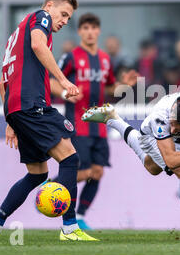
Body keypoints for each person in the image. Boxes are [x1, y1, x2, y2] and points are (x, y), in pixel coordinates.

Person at [0, 0, 97, 241]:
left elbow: (3, 82)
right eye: (63, 14)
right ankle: (70, 229)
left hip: (16, 108)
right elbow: (38, 45)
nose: (65, 21)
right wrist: (64, 80)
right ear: (50, 5)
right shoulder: (40, 18)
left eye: (68, 18)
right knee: (70, 159)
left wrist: (10, 121)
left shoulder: (16, 34)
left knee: (38, 174)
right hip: (33, 104)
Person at [81, 89, 180, 230]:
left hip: (177, 143)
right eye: (171, 124)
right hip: (151, 136)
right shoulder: (160, 118)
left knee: (153, 168)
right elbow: (171, 160)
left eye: (176, 126)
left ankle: (113, 119)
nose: (172, 130)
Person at [50, 12, 138, 230]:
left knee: (97, 172)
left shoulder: (105, 59)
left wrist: (124, 85)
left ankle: (80, 215)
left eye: (93, 28)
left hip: (99, 126)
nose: (89, 32)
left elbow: (109, 88)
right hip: (77, 124)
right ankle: (53, 187)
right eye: (85, 28)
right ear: (80, 31)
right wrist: (65, 93)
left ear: (98, 31)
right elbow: (52, 81)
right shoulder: (71, 57)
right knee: (82, 171)